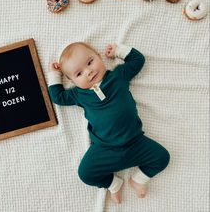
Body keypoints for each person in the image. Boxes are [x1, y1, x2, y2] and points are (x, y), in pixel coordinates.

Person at [48, 42, 170, 204]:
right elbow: (58, 97)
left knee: (162, 157)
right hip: (105, 149)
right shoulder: (78, 95)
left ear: (99, 57)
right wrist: (55, 75)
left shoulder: (118, 76)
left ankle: (139, 179)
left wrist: (118, 51)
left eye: (90, 62)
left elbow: (137, 60)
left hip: (135, 142)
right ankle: (114, 184)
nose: (89, 72)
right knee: (85, 174)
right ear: (72, 81)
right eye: (79, 74)